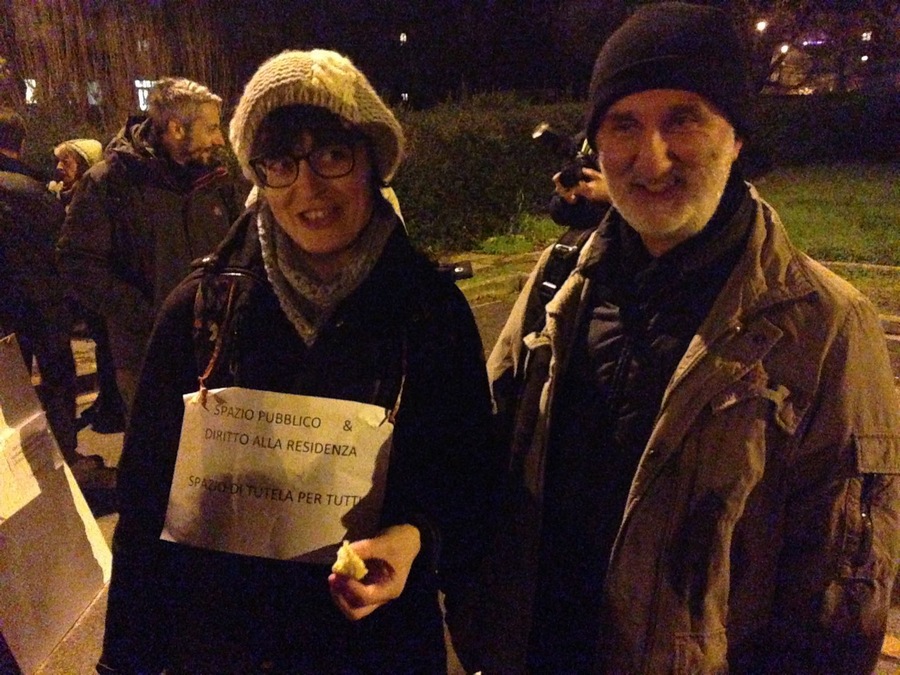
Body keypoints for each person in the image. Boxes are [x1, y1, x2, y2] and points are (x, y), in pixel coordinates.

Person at [457, 3, 900, 673]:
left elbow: (839, 605)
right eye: (623, 124)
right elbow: (477, 470)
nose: (650, 156)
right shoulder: (554, 286)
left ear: (738, 136)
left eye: (683, 119)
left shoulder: (827, 328)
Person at [98, 49, 497, 674]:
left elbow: (470, 478)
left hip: (377, 649)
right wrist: (124, 662)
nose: (307, 188)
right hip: (223, 653)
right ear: (259, 176)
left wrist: (415, 537)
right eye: (281, 164)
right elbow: (145, 507)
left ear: (370, 160)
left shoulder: (429, 312)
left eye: (331, 156)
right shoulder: (202, 311)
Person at [57, 77, 246, 418]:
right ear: (176, 129)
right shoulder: (110, 182)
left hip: (216, 356)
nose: (220, 139)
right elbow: (77, 264)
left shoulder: (217, 180)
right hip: (147, 357)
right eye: (212, 128)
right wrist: (150, 315)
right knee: (158, 459)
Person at [0, 109, 97, 474]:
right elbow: (63, 248)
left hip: (6, 309)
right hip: (45, 303)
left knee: (12, 387)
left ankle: (16, 463)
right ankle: (63, 455)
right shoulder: (36, 192)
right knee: (58, 379)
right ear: (20, 143)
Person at [50, 137, 127, 434]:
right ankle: (106, 401)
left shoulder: (96, 195)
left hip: (102, 289)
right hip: (86, 293)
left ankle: (113, 407)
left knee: (108, 350)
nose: (59, 168)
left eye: (66, 162)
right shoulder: (66, 195)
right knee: (100, 348)